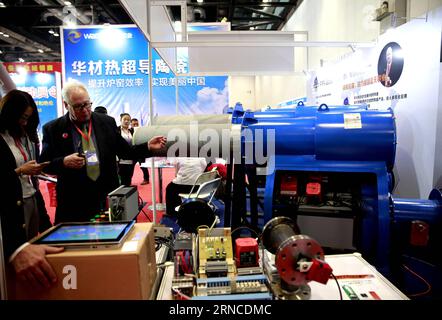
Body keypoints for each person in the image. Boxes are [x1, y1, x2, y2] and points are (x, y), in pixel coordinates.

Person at [40, 80, 166, 223]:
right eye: (78, 107)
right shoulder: (53, 129)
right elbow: (44, 164)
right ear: (66, 105)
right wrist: (63, 162)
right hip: (74, 199)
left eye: (87, 104)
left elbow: (126, 152)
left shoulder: (106, 122)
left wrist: (147, 147)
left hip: (106, 196)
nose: (85, 110)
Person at [0, 89, 63, 289]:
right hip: (10, 207)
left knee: (32, 251)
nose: (25, 122)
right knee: (15, 258)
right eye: (22, 117)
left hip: (31, 199)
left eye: (28, 118)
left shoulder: (25, 136)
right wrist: (19, 171)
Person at [117, 113, 135, 186]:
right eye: (125, 119)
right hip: (120, 160)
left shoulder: (132, 131)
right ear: (120, 120)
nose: (127, 121)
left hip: (131, 160)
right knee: (122, 180)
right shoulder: (116, 130)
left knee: (129, 178)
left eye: (128, 120)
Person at [131, 117, 149, 185]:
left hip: (141, 152)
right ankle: (129, 180)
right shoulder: (129, 131)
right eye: (134, 123)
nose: (135, 124)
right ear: (131, 124)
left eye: (136, 123)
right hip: (132, 152)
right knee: (131, 167)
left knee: (143, 166)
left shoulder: (142, 130)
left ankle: (146, 179)